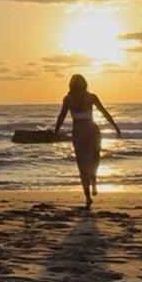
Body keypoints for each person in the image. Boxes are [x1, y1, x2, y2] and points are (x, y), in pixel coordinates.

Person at [54, 74, 121, 207]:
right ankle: (94, 179)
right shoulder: (91, 97)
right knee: (95, 157)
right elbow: (104, 112)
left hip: (79, 131)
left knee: (81, 163)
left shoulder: (68, 99)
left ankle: (87, 197)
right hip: (92, 130)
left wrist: (55, 132)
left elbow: (61, 116)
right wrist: (115, 127)